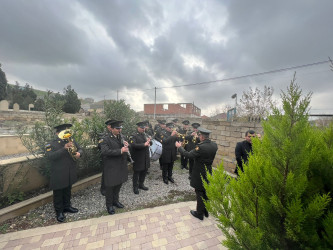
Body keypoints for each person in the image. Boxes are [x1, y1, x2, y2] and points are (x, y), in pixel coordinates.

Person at [175, 127, 218, 220]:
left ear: (202, 137)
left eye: (199, 135)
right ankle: (205, 210)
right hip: (208, 171)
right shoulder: (214, 145)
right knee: (205, 191)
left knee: (199, 192)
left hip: (199, 172)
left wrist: (180, 147)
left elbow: (189, 155)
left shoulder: (200, 147)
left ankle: (199, 213)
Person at [45, 123, 83, 223]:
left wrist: (79, 153)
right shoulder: (51, 144)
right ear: (57, 133)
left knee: (67, 190)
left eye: (67, 132)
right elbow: (50, 157)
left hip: (70, 171)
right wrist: (64, 148)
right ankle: (59, 212)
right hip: (58, 173)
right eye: (64, 132)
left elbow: (80, 149)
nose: (67, 135)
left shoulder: (71, 140)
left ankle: (67, 207)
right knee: (58, 193)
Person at [99, 120, 129, 215]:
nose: (119, 130)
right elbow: (105, 152)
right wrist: (120, 151)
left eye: (120, 128)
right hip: (111, 166)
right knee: (110, 187)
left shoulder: (122, 137)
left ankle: (115, 201)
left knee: (118, 184)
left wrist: (128, 146)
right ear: (111, 129)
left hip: (121, 165)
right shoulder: (105, 139)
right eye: (117, 128)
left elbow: (126, 149)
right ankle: (109, 205)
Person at [129, 122, 151, 194]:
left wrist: (149, 141)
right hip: (138, 157)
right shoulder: (133, 135)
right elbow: (133, 145)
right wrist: (144, 144)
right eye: (142, 128)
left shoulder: (145, 134)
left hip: (145, 157)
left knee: (144, 171)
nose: (143, 129)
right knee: (137, 173)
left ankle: (141, 184)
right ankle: (135, 187)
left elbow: (150, 143)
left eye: (144, 128)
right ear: (138, 128)